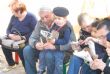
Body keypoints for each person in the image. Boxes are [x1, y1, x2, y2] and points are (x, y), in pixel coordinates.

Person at [23, 7, 76, 74]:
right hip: (45, 49)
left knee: (49, 55)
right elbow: (32, 38)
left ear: (52, 14)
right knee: (27, 50)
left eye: (46, 16)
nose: (44, 20)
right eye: (42, 18)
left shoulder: (64, 23)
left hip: (61, 51)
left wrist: (55, 47)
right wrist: (36, 44)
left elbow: (72, 42)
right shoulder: (39, 23)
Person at [2, 1, 37, 72]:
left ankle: (27, 70)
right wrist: (9, 35)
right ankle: (11, 64)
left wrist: (23, 37)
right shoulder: (13, 17)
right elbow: (8, 29)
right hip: (14, 38)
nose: (12, 13)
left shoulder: (31, 17)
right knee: (4, 45)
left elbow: (36, 32)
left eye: (13, 12)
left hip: (26, 40)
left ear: (19, 11)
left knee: (21, 49)